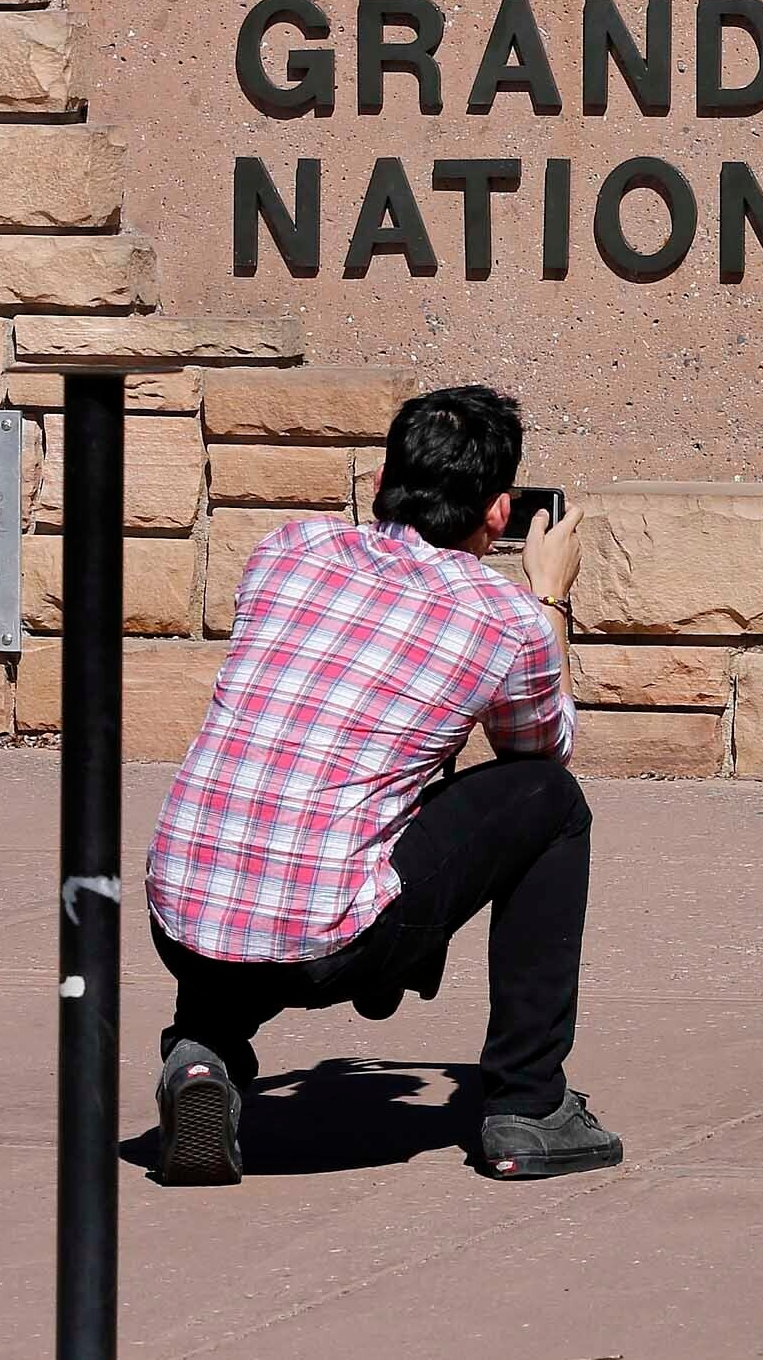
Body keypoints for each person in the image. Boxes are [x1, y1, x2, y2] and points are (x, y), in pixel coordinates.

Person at [141, 383, 617, 1184]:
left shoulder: (287, 549)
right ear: (499, 513)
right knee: (550, 805)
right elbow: (538, 750)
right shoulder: (505, 616)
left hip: (178, 913)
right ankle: (529, 1108)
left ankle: (203, 1054)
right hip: (332, 942)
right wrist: (547, 594)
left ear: (379, 483)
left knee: (288, 801)